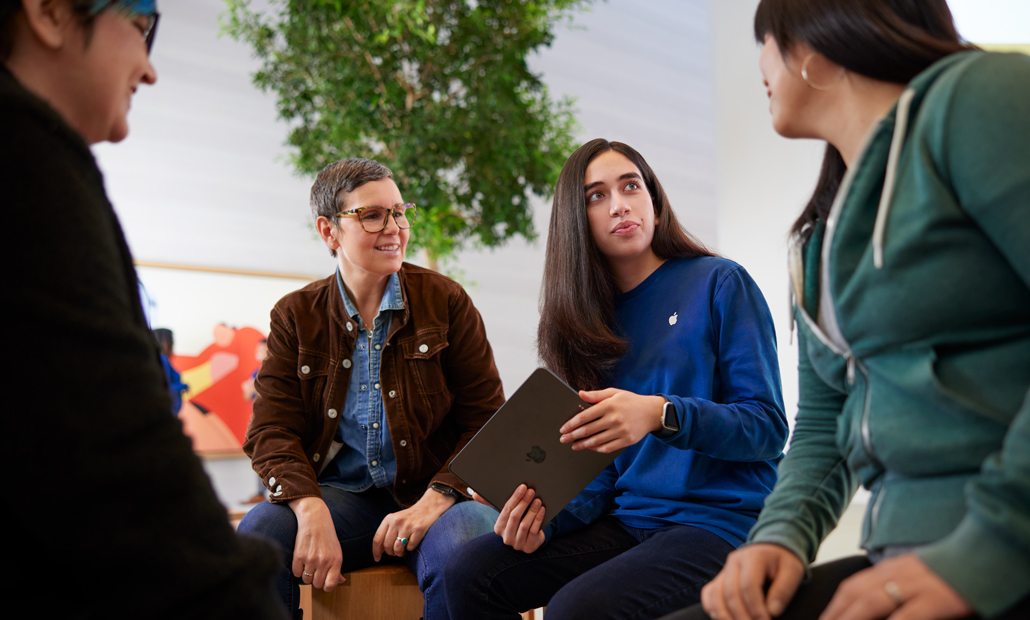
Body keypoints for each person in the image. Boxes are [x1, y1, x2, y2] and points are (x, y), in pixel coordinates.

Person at [667, 3, 1030, 620]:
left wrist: (985, 553)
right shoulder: (819, 239)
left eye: (765, 40)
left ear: (815, 39)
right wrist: (779, 535)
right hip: (902, 552)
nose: (760, 64)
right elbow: (825, 420)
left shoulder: (976, 98)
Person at [3, 1, 285, 618]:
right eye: (141, 28)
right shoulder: (29, 164)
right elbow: (123, 472)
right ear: (49, 12)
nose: (150, 69)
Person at [444, 139, 789, 619]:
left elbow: (767, 427)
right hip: (629, 520)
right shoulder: (583, 325)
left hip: (720, 523)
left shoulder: (720, 282)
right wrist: (544, 521)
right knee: (468, 573)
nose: (620, 205)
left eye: (631, 186)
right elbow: (599, 472)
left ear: (654, 202)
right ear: (576, 220)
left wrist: (660, 414)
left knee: (575, 610)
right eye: (596, 196)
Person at [237, 158, 505, 620]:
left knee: (462, 551)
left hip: (439, 497)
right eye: (373, 215)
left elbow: (488, 421)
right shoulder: (295, 315)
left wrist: (435, 500)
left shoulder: (446, 301)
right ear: (329, 231)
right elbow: (269, 431)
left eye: (399, 212)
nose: (395, 228)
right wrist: (309, 505)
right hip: (345, 499)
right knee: (261, 535)